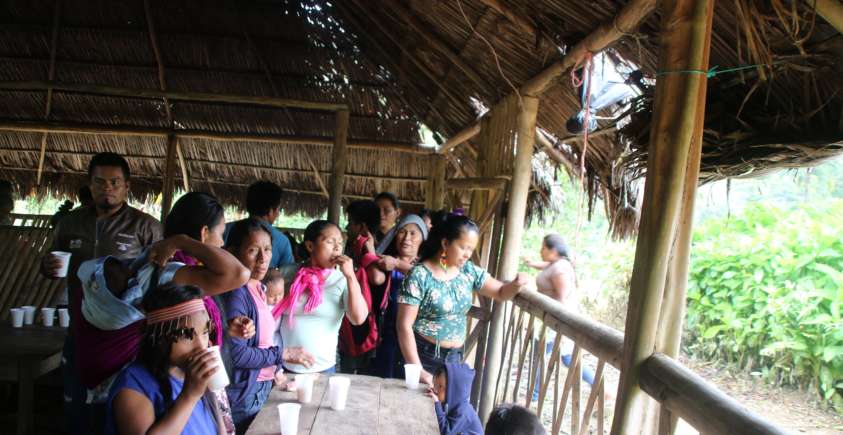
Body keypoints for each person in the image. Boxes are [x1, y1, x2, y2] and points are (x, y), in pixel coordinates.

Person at [39, 152, 163, 434]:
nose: (107, 188)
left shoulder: (145, 227)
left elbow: (159, 280)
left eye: (115, 182)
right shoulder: (70, 223)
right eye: (100, 182)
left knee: (119, 410)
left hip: (126, 339)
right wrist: (46, 266)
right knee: (77, 408)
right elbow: (51, 261)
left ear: (127, 186)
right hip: (79, 332)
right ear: (90, 184)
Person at [397, 214, 528, 385]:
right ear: (445, 243)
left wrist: (517, 284)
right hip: (423, 356)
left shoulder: (468, 271)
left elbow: (501, 292)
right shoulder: (419, 275)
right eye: (463, 247)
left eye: (471, 249)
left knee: (450, 402)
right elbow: (404, 325)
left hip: (455, 358)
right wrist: (418, 370)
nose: (467, 255)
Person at [105, 283, 224, 435]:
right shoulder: (133, 386)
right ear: (159, 338)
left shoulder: (190, 370)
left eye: (205, 332)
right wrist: (190, 396)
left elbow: (218, 420)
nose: (201, 347)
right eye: (185, 335)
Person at [277, 220, 368, 374]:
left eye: (340, 243)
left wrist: (351, 276)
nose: (337, 247)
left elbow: (358, 318)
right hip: (283, 366)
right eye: (330, 242)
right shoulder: (286, 273)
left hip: (324, 368)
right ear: (310, 246)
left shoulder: (342, 280)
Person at [524, 234, 595, 399]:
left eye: (543, 248)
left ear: (553, 251)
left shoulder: (560, 269)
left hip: (559, 320)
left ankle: (534, 395)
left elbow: (562, 298)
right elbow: (544, 266)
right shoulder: (555, 264)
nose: (540, 251)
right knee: (566, 358)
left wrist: (560, 327)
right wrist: (531, 263)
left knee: (541, 355)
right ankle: (599, 386)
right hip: (554, 320)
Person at [366, 215, 427, 378]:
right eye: (402, 232)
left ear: (423, 238)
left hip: (414, 336)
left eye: (413, 233)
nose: (407, 238)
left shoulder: (426, 267)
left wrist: (398, 265)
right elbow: (375, 278)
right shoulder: (385, 261)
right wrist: (371, 252)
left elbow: (429, 279)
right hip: (386, 332)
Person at [225, 181, 294, 269]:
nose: (262, 258)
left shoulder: (224, 230)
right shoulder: (282, 241)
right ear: (271, 211)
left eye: (267, 249)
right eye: (278, 209)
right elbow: (288, 273)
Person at [428, 362, 483, 435]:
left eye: (440, 386)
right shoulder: (456, 404)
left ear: (454, 390)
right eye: (435, 385)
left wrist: (437, 404)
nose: (436, 390)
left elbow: (446, 432)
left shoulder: (463, 411)